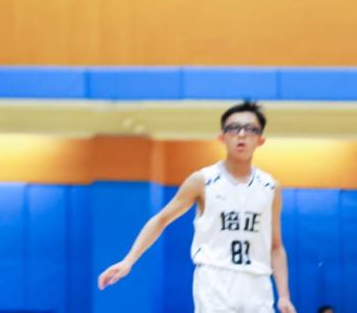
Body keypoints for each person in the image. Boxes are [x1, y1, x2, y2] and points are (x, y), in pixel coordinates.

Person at [98, 100, 296, 313]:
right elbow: (161, 219)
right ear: (222, 137)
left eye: (250, 129)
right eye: (233, 128)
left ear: (260, 140)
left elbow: (276, 246)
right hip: (215, 280)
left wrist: (284, 295)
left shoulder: (270, 187)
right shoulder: (202, 180)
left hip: (258, 283)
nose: (241, 134)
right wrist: (128, 260)